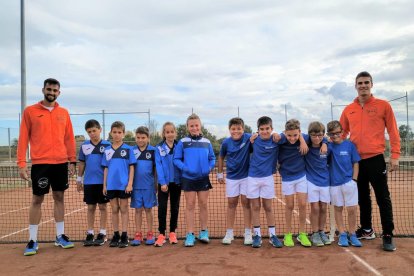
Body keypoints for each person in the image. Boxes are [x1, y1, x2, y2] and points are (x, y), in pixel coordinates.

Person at [340, 71, 400, 251]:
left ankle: (388, 234)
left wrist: (395, 155)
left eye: (366, 82)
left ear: (371, 85)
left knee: (383, 197)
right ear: (355, 86)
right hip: (356, 163)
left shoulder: (383, 106)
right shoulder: (349, 108)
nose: (363, 85)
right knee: (362, 198)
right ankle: (366, 229)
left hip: (376, 159)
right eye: (360, 83)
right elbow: (342, 133)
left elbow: (393, 131)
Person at [17, 78, 76, 256]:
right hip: (40, 163)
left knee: (59, 197)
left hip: (60, 163)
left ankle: (60, 236)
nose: (51, 92)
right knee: (37, 200)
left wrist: (72, 160)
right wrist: (21, 163)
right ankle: (33, 240)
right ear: (43, 90)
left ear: (59, 92)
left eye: (55, 90)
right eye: (49, 89)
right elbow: (23, 138)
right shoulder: (30, 112)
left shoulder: (64, 113)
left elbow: (69, 138)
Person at [174, 114, 216, 247]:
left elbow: (212, 158)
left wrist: (209, 168)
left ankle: (204, 232)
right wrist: (185, 169)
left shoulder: (207, 142)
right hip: (188, 178)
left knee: (203, 204)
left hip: (203, 178)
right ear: (187, 127)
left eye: (196, 125)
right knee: (190, 205)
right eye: (191, 125)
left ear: (200, 125)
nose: (194, 128)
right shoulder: (182, 142)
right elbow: (176, 159)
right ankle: (190, 234)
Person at [247, 116, 283, 248]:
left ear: (272, 129)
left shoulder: (277, 139)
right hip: (253, 178)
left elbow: (293, 134)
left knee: (268, 207)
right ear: (258, 130)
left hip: (268, 178)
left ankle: (273, 235)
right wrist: (252, 136)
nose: (265, 131)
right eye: (261, 129)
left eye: (267, 128)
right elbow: (240, 136)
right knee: (255, 207)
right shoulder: (253, 140)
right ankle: (257, 235)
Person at [278, 119, 312, 247]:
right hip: (287, 178)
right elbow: (272, 137)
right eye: (289, 135)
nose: (292, 138)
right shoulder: (281, 138)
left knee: (303, 204)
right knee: (289, 206)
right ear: (285, 133)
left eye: (295, 135)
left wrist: (303, 140)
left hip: (301, 176)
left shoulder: (304, 137)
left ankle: (302, 234)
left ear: (300, 133)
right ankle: (287, 234)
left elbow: (321, 137)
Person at [218, 117, 252, 245]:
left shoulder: (248, 138)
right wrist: (220, 173)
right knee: (231, 203)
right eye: (233, 129)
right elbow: (221, 157)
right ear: (229, 130)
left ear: (243, 129)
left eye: (239, 128)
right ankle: (229, 232)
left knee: (246, 203)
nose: (236, 131)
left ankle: (248, 232)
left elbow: (261, 135)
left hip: (246, 177)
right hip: (232, 177)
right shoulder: (226, 143)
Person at [327, 120, 362, 247]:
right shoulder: (328, 146)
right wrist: (326, 142)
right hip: (334, 184)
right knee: (338, 209)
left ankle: (352, 234)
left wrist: (354, 180)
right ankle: (342, 234)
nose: (335, 136)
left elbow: (356, 163)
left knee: (352, 209)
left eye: (337, 133)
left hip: (349, 183)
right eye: (331, 134)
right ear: (328, 134)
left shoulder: (350, 145)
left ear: (342, 132)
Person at [102, 121, 136, 248]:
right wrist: (104, 185)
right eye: (114, 132)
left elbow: (132, 167)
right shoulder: (107, 150)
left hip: (123, 185)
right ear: (111, 133)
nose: (117, 135)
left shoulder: (128, 149)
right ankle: (116, 235)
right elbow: (105, 168)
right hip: (111, 185)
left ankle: (124, 235)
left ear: (124, 134)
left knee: (124, 209)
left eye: (119, 132)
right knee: (114, 209)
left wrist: (130, 183)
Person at [77, 119, 111, 246]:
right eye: (89, 131)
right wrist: (79, 179)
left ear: (100, 130)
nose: (92, 133)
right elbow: (82, 163)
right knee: (90, 207)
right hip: (89, 182)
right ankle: (90, 232)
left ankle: (102, 233)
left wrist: (108, 182)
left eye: (94, 130)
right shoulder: (84, 146)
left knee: (103, 207)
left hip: (103, 183)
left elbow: (110, 165)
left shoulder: (108, 145)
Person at [154, 122, 182, 247]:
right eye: (167, 132)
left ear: (175, 133)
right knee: (162, 208)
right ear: (164, 134)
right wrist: (162, 182)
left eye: (172, 131)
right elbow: (158, 166)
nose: (170, 134)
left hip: (176, 182)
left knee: (175, 207)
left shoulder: (180, 146)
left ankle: (172, 232)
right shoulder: (158, 148)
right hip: (164, 183)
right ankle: (161, 234)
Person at [304, 121, 331, 246]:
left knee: (324, 207)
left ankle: (321, 231)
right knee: (315, 207)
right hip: (311, 181)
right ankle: (314, 233)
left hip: (325, 181)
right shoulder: (306, 146)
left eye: (320, 135)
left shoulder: (327, 147)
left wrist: (325, 142)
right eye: (314, 135)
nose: (317, 138)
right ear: (310, 135)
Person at [130, 126, 158, 246]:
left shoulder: (153, 151)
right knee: (138, 210)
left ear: (148, 138)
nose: (140, 140)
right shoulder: (131, 151)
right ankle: (138, 234)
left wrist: (156, 184)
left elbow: (156, 169)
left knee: (148, 209)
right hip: (135, 186)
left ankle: (150, 233)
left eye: (143, 137)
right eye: (138, 137)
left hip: (149, 186)